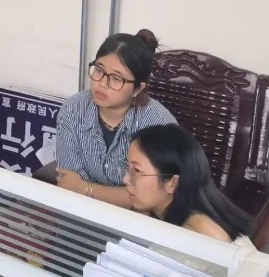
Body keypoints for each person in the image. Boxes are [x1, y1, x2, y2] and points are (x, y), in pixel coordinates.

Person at [55, 29, 175, 207]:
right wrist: (83, 189)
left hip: (138, 218)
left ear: (138, 89)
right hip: (80, 209)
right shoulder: (73, 109)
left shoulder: (158, 125)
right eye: (99, 70)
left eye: (117, 78)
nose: (102, 83)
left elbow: (150, 198)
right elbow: (69, 182)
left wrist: (87, 189)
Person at [124, 123, 254, 244]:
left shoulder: (202, 235)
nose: (126, 179)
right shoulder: (166, 214)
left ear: (172, 183)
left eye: (137, 171)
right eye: (127, 168)